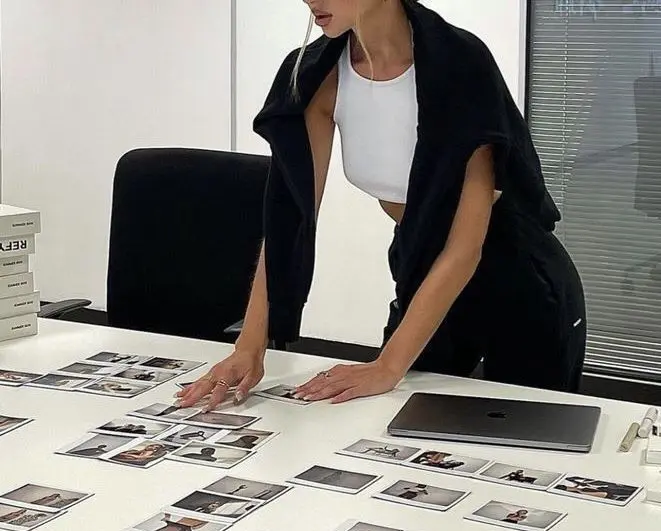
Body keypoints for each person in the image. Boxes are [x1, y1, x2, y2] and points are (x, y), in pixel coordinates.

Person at [176, 0, 586, 413]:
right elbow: (288, 220)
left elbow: (466, 248)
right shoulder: (318, 76)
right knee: (393, 425)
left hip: (517, 276)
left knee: (525, 435)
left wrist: (388, 366)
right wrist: (249, 346)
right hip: (418, 262)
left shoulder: (458, 63)